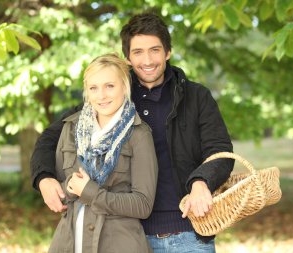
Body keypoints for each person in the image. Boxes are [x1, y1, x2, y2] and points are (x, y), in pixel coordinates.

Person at [31, 13, 234, 253]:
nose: (147, 60)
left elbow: (220, 151)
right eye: (138, 52)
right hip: (128, 235)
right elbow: (52, 136)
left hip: (187, 233)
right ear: (128, 57)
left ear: (168, 52)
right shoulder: (113, 96)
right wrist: (43, 178)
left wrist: (202, 181)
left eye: (155, 50)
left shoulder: (196, 97)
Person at [46, 53, 158, 253]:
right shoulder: (71, 128)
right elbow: (61, 195)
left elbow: (143, 205)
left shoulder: (139, 134)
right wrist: (71, 187)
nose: (101, 95)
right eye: (93, 88)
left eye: (110, 86)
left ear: (124, 87)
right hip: (68, 244)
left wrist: (90, 192)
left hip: (119, 245)